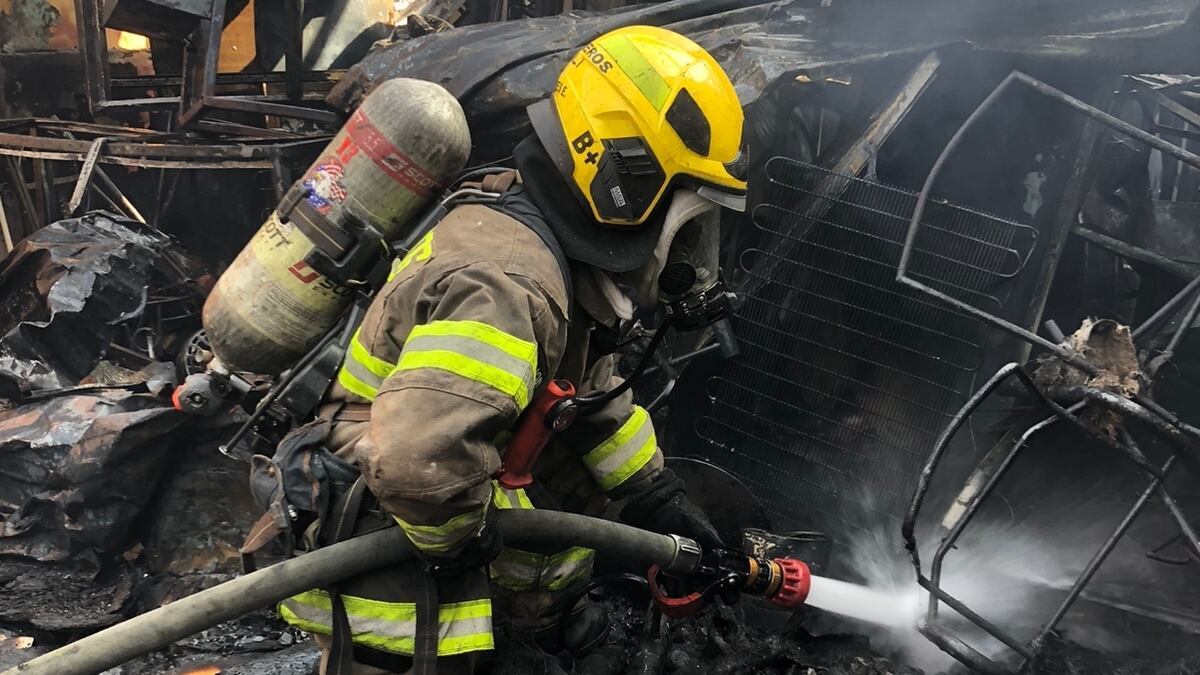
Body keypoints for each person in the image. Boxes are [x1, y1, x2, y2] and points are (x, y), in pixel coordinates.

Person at [277, 24, 750, 674]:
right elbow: (420, 464)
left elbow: (588, 390)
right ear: (627, 176)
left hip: (430, 519)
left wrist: (657, 494)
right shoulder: (508, 285)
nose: (693, 250)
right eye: (688, 216)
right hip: (399, 599)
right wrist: (495, 615)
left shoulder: (544, 235)